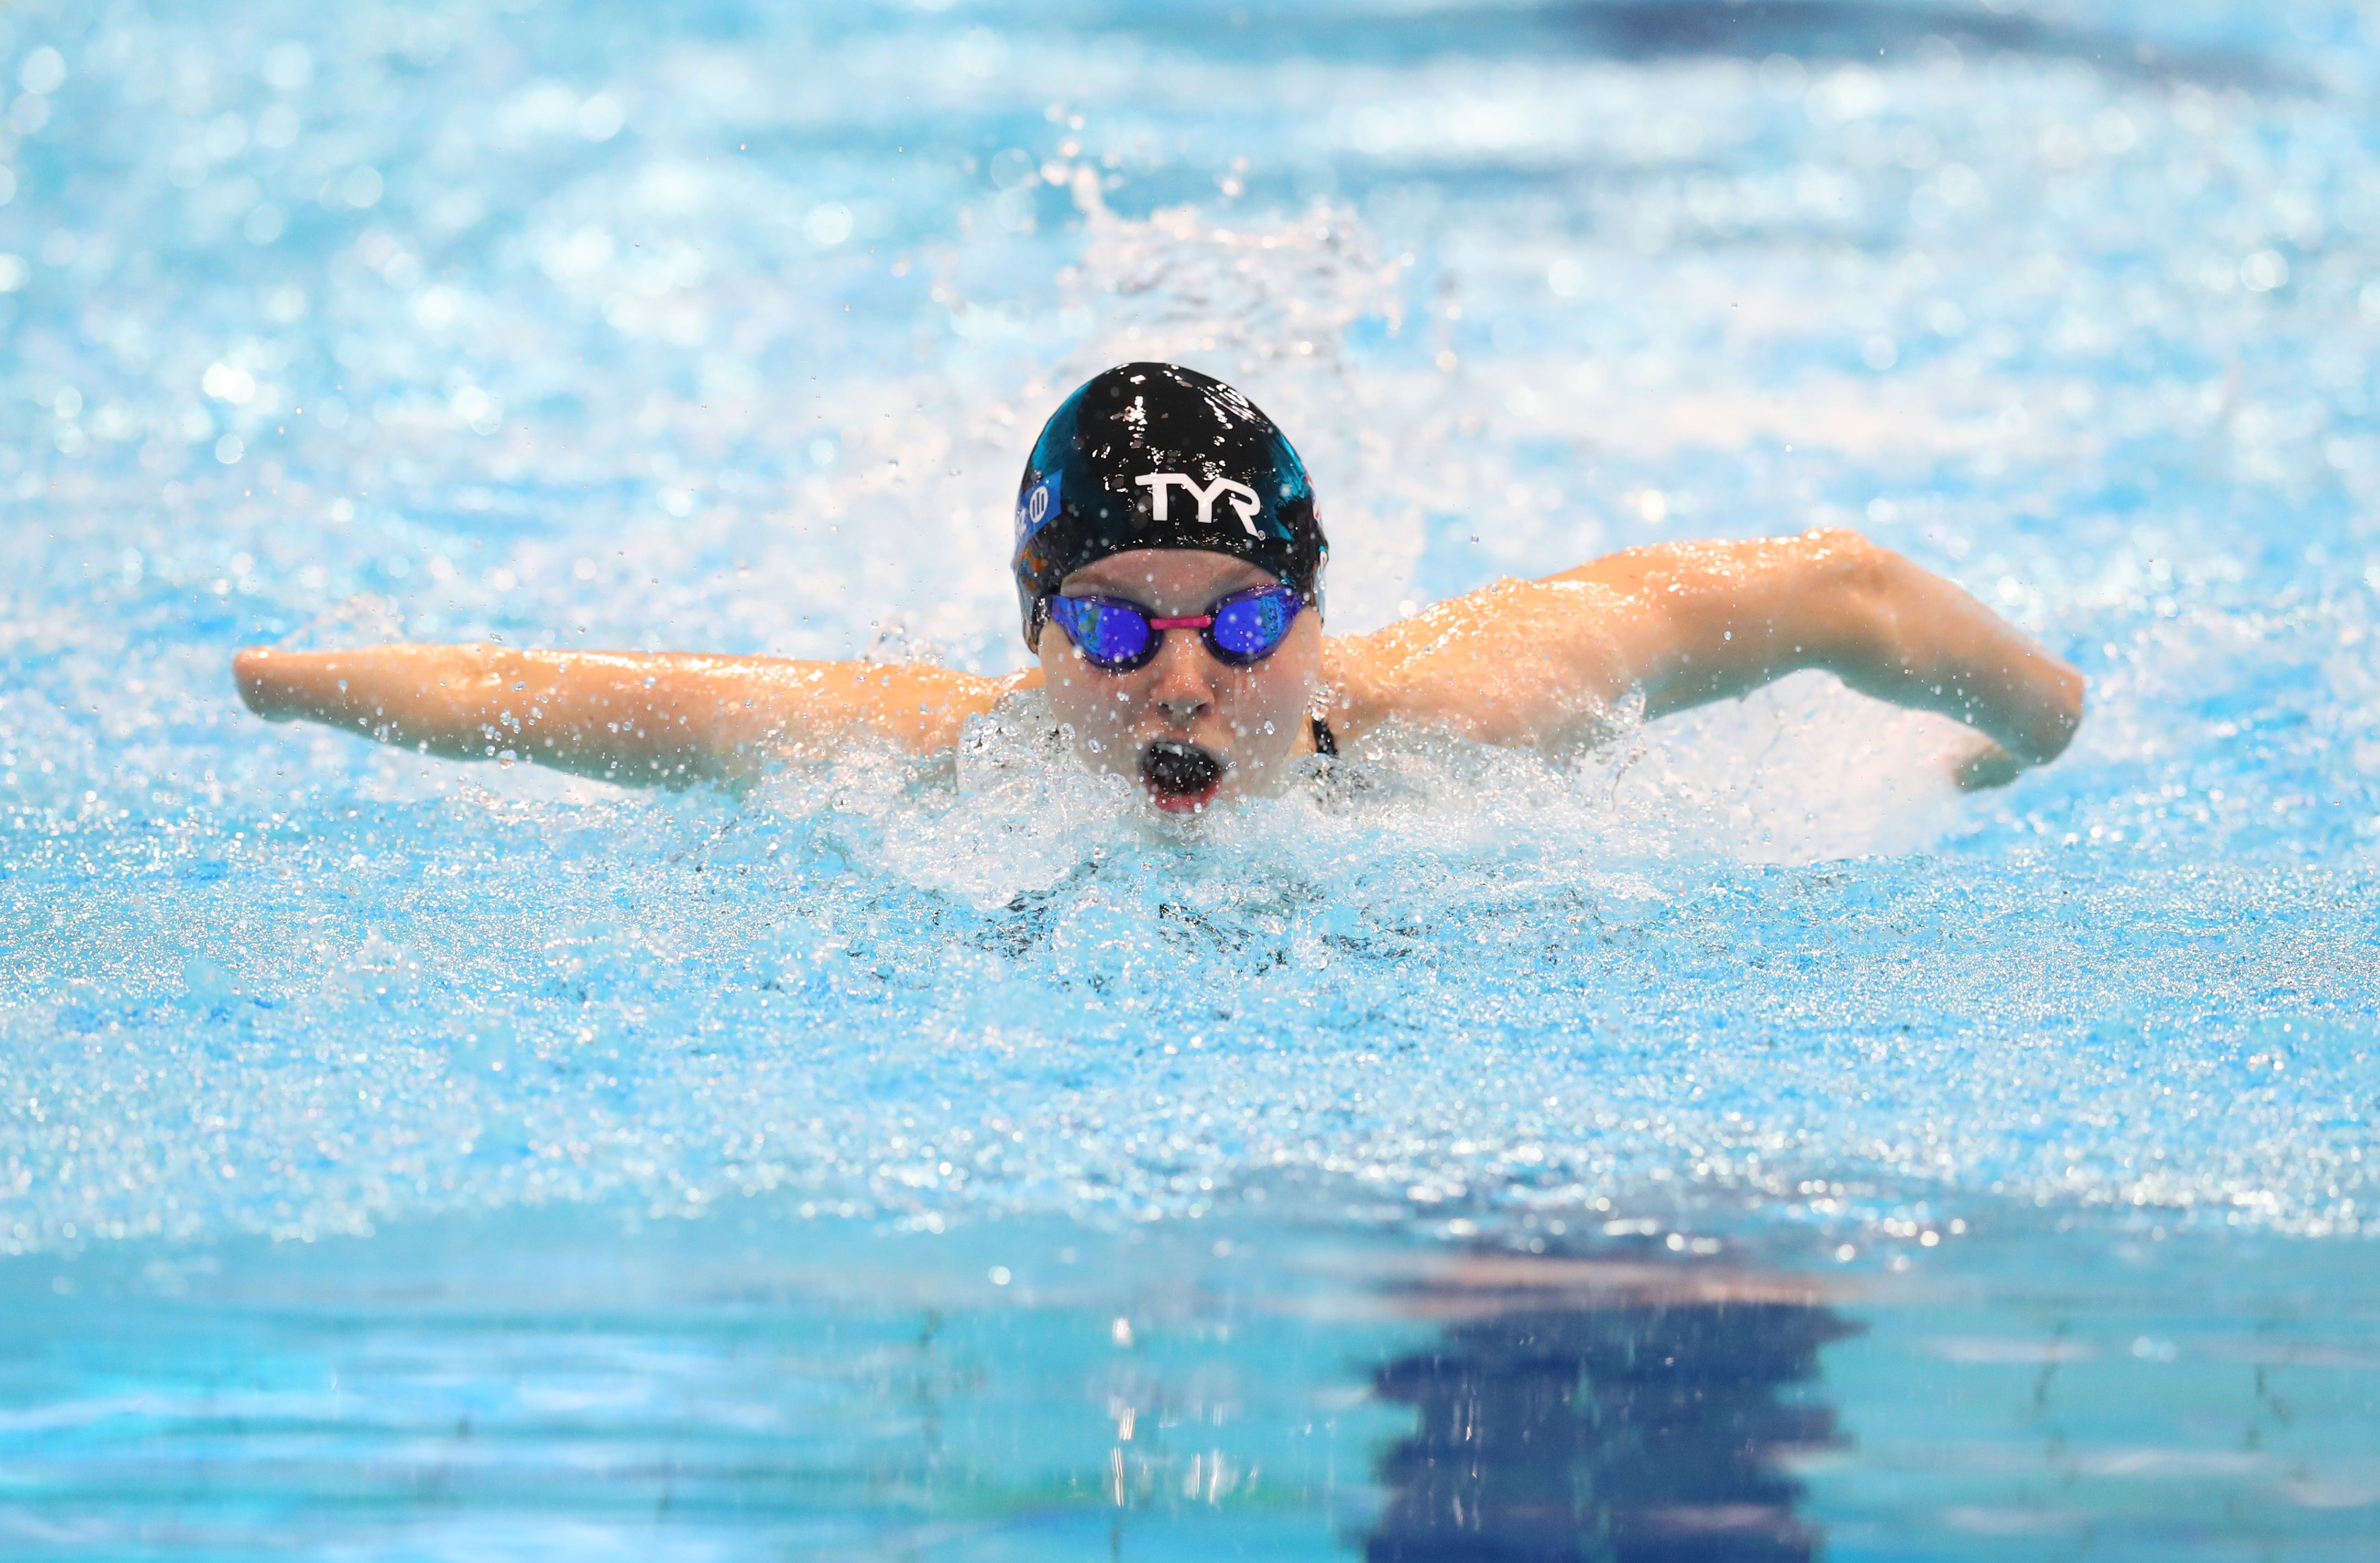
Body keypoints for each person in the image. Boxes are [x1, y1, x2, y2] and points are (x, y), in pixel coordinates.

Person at [233, 362, 2083, 811]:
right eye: (1114, 622)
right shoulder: (944, 766)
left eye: (1245, 617)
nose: (1182, 680)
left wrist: (2031, 740)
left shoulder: (1490, 704)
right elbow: (556, 698)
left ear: (1319, 615)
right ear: (1032, 632)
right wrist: (272, 679)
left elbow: (1839, 586)